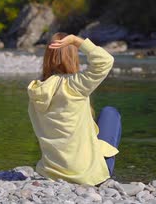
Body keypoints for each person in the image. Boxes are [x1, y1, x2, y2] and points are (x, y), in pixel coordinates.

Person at [27, 33, 122, 186]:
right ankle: (104, 172)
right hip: (86, 175)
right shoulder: (75, 84)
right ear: (73, 57)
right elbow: (105, 60)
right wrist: (77, 41)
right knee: (110, 113)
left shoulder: (36, 90)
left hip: (50, 172)